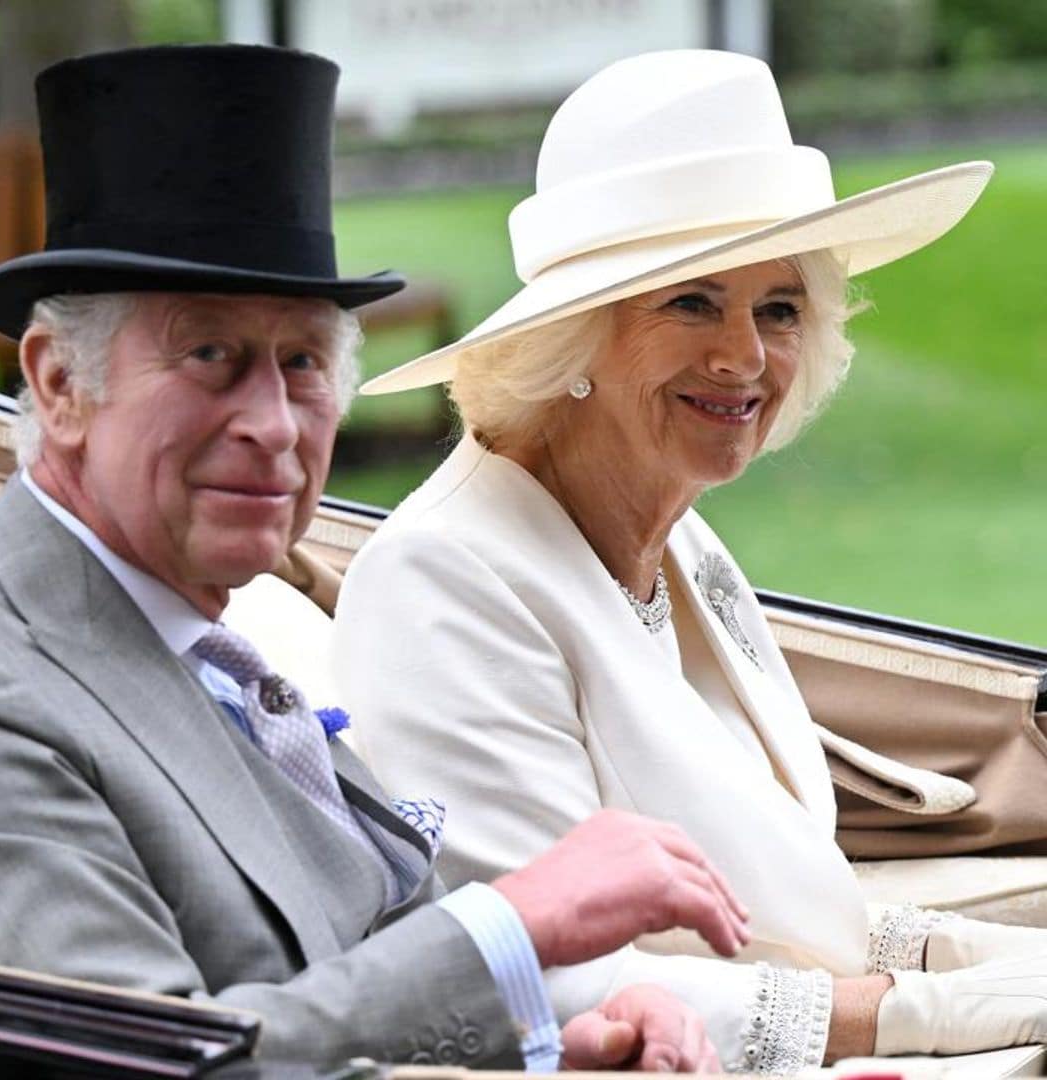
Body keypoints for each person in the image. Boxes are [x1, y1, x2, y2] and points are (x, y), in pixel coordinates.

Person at [0, 44, 750, 1074]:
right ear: (59, 382)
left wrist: (557, 1039)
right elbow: (156, 1061)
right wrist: (510, 925)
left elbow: (345, 965)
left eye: (302, 365)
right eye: (210, 356)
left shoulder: (200, 641)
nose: (274, 426)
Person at [335, 49, 1047, 1073]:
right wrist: (918, 1012)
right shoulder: (444, 580)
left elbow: (792, 904)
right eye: (692, 303)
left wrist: (967, 960)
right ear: (574, 340)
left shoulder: (677, 535)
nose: (745, 358)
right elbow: (541, 977)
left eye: (779, 308)